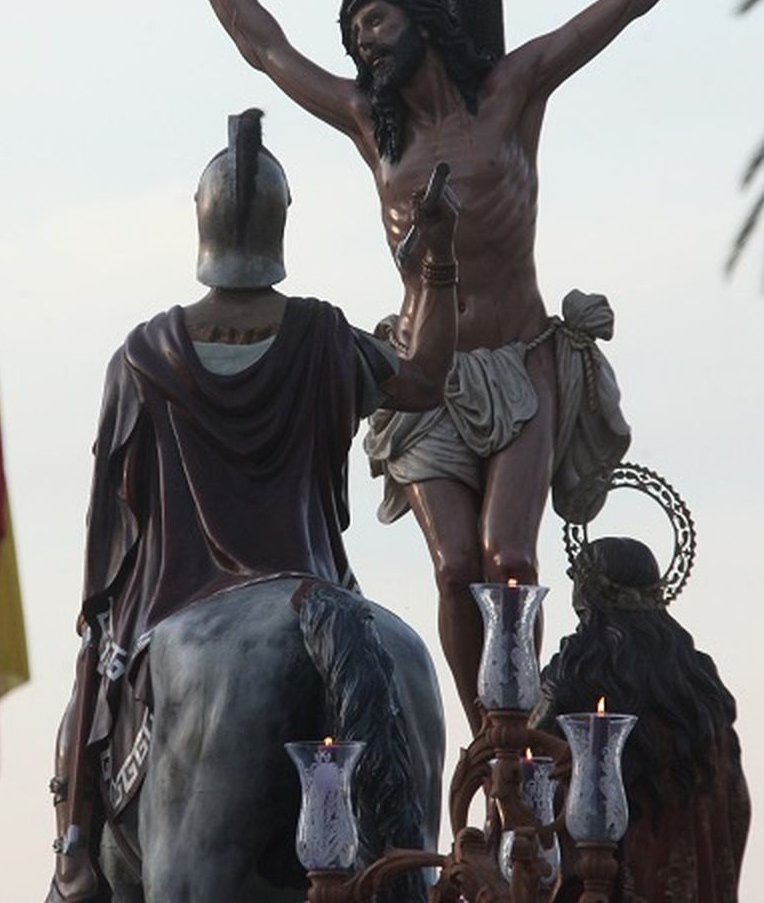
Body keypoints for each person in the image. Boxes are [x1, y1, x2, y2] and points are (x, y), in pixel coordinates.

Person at [125, 0, 764, 731]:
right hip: (425, 376)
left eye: (375, 21)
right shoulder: (372, 131)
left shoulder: (512, 95)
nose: (363, 41)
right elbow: (264, 47)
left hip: (521, 362)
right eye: (354, 34)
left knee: (510, 561)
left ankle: (520, 726)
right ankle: (494, 744)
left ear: (421, 18)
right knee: (455, 568)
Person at [48, 108, 458, 903]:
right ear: (281, 224)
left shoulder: (141, 356)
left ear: (200, 224)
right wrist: (437, 262)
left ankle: (73, 852)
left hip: (174, 602)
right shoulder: (324, 336)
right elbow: (425, 378)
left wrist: (103, 627)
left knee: (88, 688)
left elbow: (110, 545)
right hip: (323, 585)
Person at [533, 537, 750, 903]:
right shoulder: (700, 683)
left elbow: (526, 764)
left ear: (588, 595)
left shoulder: (574, 672)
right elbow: (733, 803)